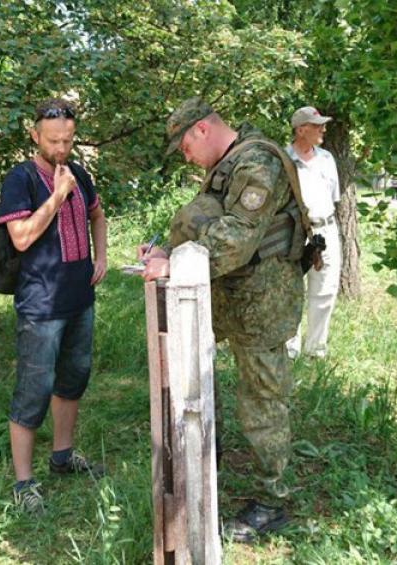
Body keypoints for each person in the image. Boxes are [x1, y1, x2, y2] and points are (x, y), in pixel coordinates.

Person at [138, 97, 304, 543]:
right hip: (230, 296)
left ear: (202, 129)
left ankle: (271, 501)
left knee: (262, 399)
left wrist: (175, 264)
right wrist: (167, 252)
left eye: (185, 147)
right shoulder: (228, 164)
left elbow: (236, 237)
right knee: (205, 386)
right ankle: (207, 467)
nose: (186, 157)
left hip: (264, 301)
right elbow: (206, 225)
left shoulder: (257, 163)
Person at [0, 98, 108, 514]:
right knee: (33, 391)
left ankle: (62, 456)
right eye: (53, 140)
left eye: (68, 140)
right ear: (35, 135)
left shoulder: (79, 173)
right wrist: (58, 196)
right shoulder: (20, 179)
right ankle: (24, 483)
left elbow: (97, 214)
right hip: (41, 305)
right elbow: (22, 237)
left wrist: (101, 256)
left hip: (79, 299)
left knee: (73, 379)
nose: (61, 148)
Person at [284, 106, 341, 360]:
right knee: (291, 288)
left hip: (326, 229)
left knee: (325, 290)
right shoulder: (283, 160)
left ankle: (315, 350)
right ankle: (289, 349)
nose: (323, 130)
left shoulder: (327, 159)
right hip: (294, 231)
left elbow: (333, 197)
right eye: (317, 126)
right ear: (300, 130)